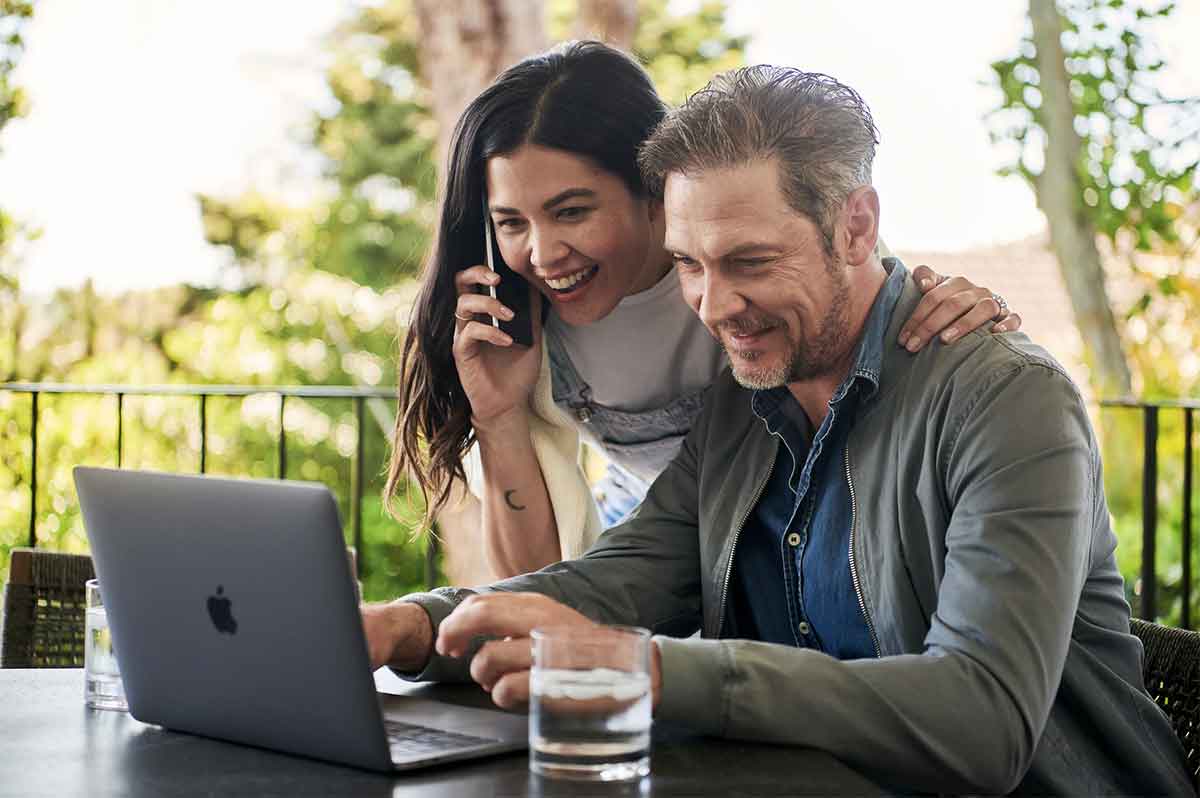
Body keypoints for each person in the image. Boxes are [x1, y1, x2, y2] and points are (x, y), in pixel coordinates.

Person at [363, 65, 1193, 794]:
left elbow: (985, 723)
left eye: (749, 262)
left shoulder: (1005, 399)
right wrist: (413, 625)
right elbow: (619, 576)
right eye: (689, 265)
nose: (716, 308)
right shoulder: (744, 399)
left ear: (857, 227)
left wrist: (647, 669)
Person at [386, 40, 1023, 579]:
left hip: (798, 535)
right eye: (511, 222)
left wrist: (958, 311)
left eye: (572, 211)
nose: (544, 253)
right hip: (649, 543)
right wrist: (499, 416)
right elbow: (532, 586)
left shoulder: (755, 252)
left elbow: (876, 297)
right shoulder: (518, 326)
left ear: (653, 193)